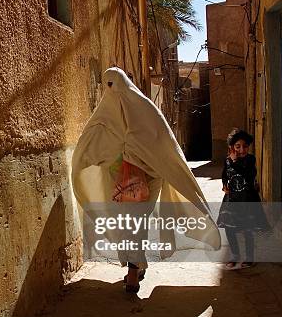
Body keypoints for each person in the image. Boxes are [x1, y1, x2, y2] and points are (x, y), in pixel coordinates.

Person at [71, 67, 221, 293]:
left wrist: (135, 156)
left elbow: (162, 144)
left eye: (114, 83)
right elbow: (91, 147)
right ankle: (137, 266)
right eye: (107, 84)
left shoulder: (145, 112)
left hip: (148, 181)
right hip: (119, 184)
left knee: (134, 226)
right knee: (126, 226)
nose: (112, 90)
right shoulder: (103, 118)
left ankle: (132, 274)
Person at [217, 128, 269, 269]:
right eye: (238, 146)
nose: (241, 149)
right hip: (232, 200)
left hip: (247, 200)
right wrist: (224, 184)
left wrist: (234, 162)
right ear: (232, 147)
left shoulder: (250, 160)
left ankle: (249, 257)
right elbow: (224, 174)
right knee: (230, 228)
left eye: (245, 146)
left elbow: (247, 174)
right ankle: (234, 255)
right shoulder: (227, 160)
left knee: (247, 228)